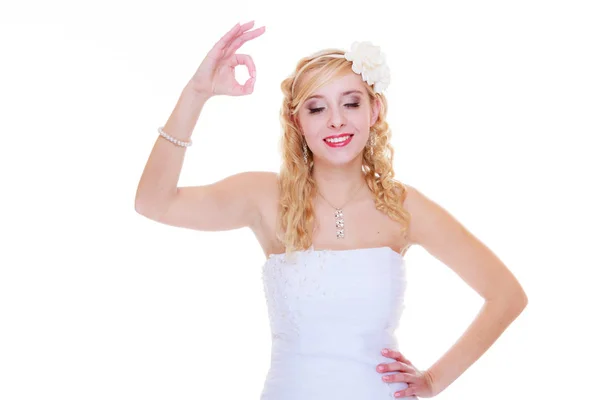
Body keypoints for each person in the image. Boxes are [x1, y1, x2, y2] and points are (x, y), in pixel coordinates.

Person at [135, 20, 528, 399]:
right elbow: (154, 203)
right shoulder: (263, 196)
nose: (336, 120)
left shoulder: (402, 207)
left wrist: (433, 381)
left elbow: (506, 295)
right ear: (297, 121)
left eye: (351, 103)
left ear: (375, 110)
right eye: (317, 108)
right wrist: (197, 92)